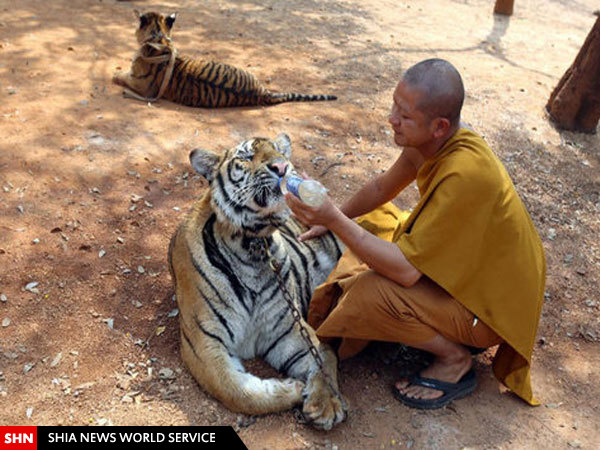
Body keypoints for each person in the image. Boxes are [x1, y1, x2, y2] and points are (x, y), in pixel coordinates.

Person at [285, 58, 546, 409]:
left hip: (488, 312)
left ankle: (455, 359)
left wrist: (332, 218)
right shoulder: (433, 141)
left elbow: (406, 273)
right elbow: (381, 188)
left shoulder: (465, 174)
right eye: (395, 105)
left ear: (439, 126)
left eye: (404, 115)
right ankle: (431, 326)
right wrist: (334, 217)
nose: (392, 118)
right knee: (376, 218)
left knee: (372, 293)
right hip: (474, 277)